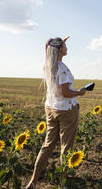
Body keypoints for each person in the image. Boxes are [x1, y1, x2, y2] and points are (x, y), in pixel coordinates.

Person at [26, 36, 86, 188]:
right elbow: (65, 92)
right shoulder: (62, 68)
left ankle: (33, 180)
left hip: (51, 109)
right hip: (66, 110)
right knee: (66, 148)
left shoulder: (47, 66)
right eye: (65, 45)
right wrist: (79, 92)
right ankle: (62, 184)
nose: (67, 48)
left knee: (47, 145)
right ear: (59, 50)